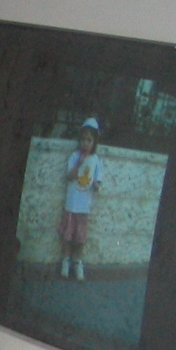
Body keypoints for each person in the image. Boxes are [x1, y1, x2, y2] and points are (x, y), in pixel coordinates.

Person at [60, 117, 104, 280]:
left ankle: (77, 263)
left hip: (84, 207)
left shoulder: (96, 160)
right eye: (83, 139)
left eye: (89, 140)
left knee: (80, 239)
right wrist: (79, 163)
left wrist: (97, 185)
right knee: (67, 237)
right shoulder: (74, 156)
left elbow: (98, 180)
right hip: (71, 206)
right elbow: (69, 177)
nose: (85, 143)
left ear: (94, 142)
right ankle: (65, 261)